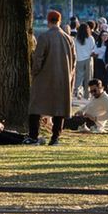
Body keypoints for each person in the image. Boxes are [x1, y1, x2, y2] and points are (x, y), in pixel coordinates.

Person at [27, 9, 76, 145]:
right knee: (59, 109)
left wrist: (34, 73)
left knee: (36, 107)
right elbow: (74, 61)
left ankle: (33, 136)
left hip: (44, 78)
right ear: (59, 21)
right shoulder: (68, 39)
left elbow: (38, 59)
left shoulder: (44, 37)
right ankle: (55, 138)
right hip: (63, 79)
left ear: (48, 21)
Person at [73, 23, 96, 100]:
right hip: (88, 59)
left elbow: (75, 50)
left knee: (79, 77)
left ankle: (78, 92)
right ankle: (87, 94)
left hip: (79, 59)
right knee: (88, 77)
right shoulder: (90, 38)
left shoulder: (76, 39)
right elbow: (93, 49)